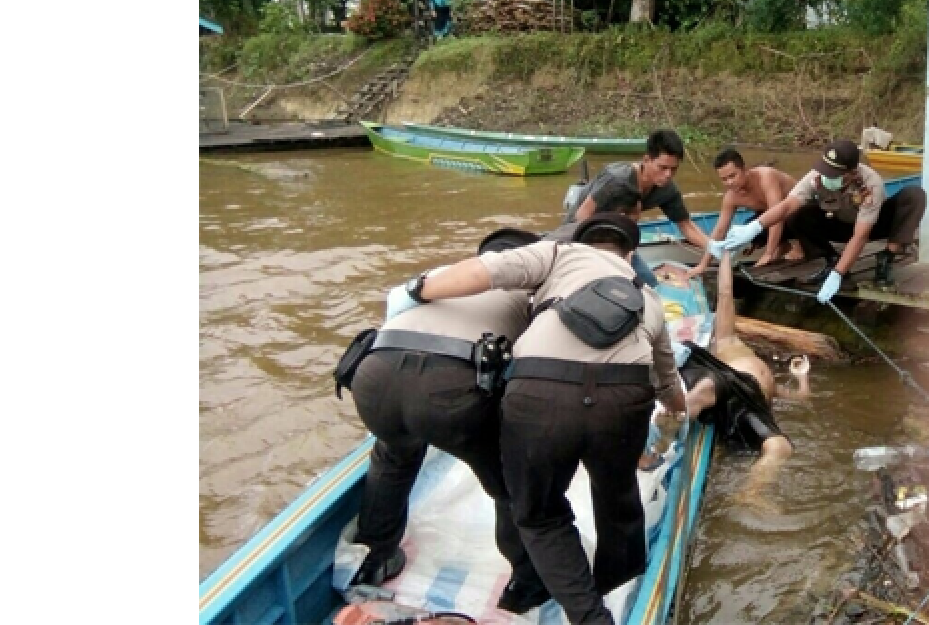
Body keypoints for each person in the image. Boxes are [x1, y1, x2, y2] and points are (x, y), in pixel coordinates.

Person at [386, 212, 688, 625]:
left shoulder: (559, 254)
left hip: (542, 392)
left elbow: (487, 270)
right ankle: (619, 576)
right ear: (631, 254)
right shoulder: (648, 298)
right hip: (625, 397)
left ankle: (562, 602)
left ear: (581, 241)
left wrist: (418, 288)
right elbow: (665, 372)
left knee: (537, 512)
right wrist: (676, 406)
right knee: (616, 491)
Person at [343, 228, 546, 612]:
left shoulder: (440, 275)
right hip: (448, 389)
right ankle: (526, 583)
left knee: (392, 458)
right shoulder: (530, 291)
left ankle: (376, 557)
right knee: (507, 484)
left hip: (373, 376)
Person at [644, 251, 810, 491]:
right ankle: (670, 424)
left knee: (780, 447)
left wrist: (802, 377)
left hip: (747, 403)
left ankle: (750, 494)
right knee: (708, 388)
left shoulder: (757, 371)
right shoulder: (726, 340)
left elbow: (801, 398)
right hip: (725, 379)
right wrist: (724, 257)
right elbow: (725, 293)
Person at [712, 138, 928, 303]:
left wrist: (838, 275)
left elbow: (861, 236)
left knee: (914, 195)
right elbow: (787, 205)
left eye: (834, 173)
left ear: (851, 173)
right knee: (797, 214)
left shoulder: (870, 184)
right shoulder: (817, 177)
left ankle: (888, 255)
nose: (827, 176)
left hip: (871, 226)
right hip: (837, 224)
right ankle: (829, 259)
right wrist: (753, 227)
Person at [564, 129, 713, 253]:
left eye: (673, 169)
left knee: (644, 280)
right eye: (662, 168)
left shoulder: (668, 191)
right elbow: (582, 215)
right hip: (578, 236)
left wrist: (717, 249)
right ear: (647, 160)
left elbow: (687, 227)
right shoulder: (616, 179)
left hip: (616, 239)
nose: (668, 174)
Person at [687, 147, 806, 278]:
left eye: (733, 176)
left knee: (790, 215)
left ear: (745, 170)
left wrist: (768, 254)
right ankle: (783, 246)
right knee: (748, 227)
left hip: (802, 212)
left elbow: (778, 215)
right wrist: (703, 265)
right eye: (724, 179)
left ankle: (800, 245)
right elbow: (720, 231)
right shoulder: (731, 197)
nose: (730, 183)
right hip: (774, 216)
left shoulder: (766, 178)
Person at [543, 179, 660, 288]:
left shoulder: (572, 229)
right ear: (622, 217)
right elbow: (649, 283)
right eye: (635, 219)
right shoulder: (614, 239)